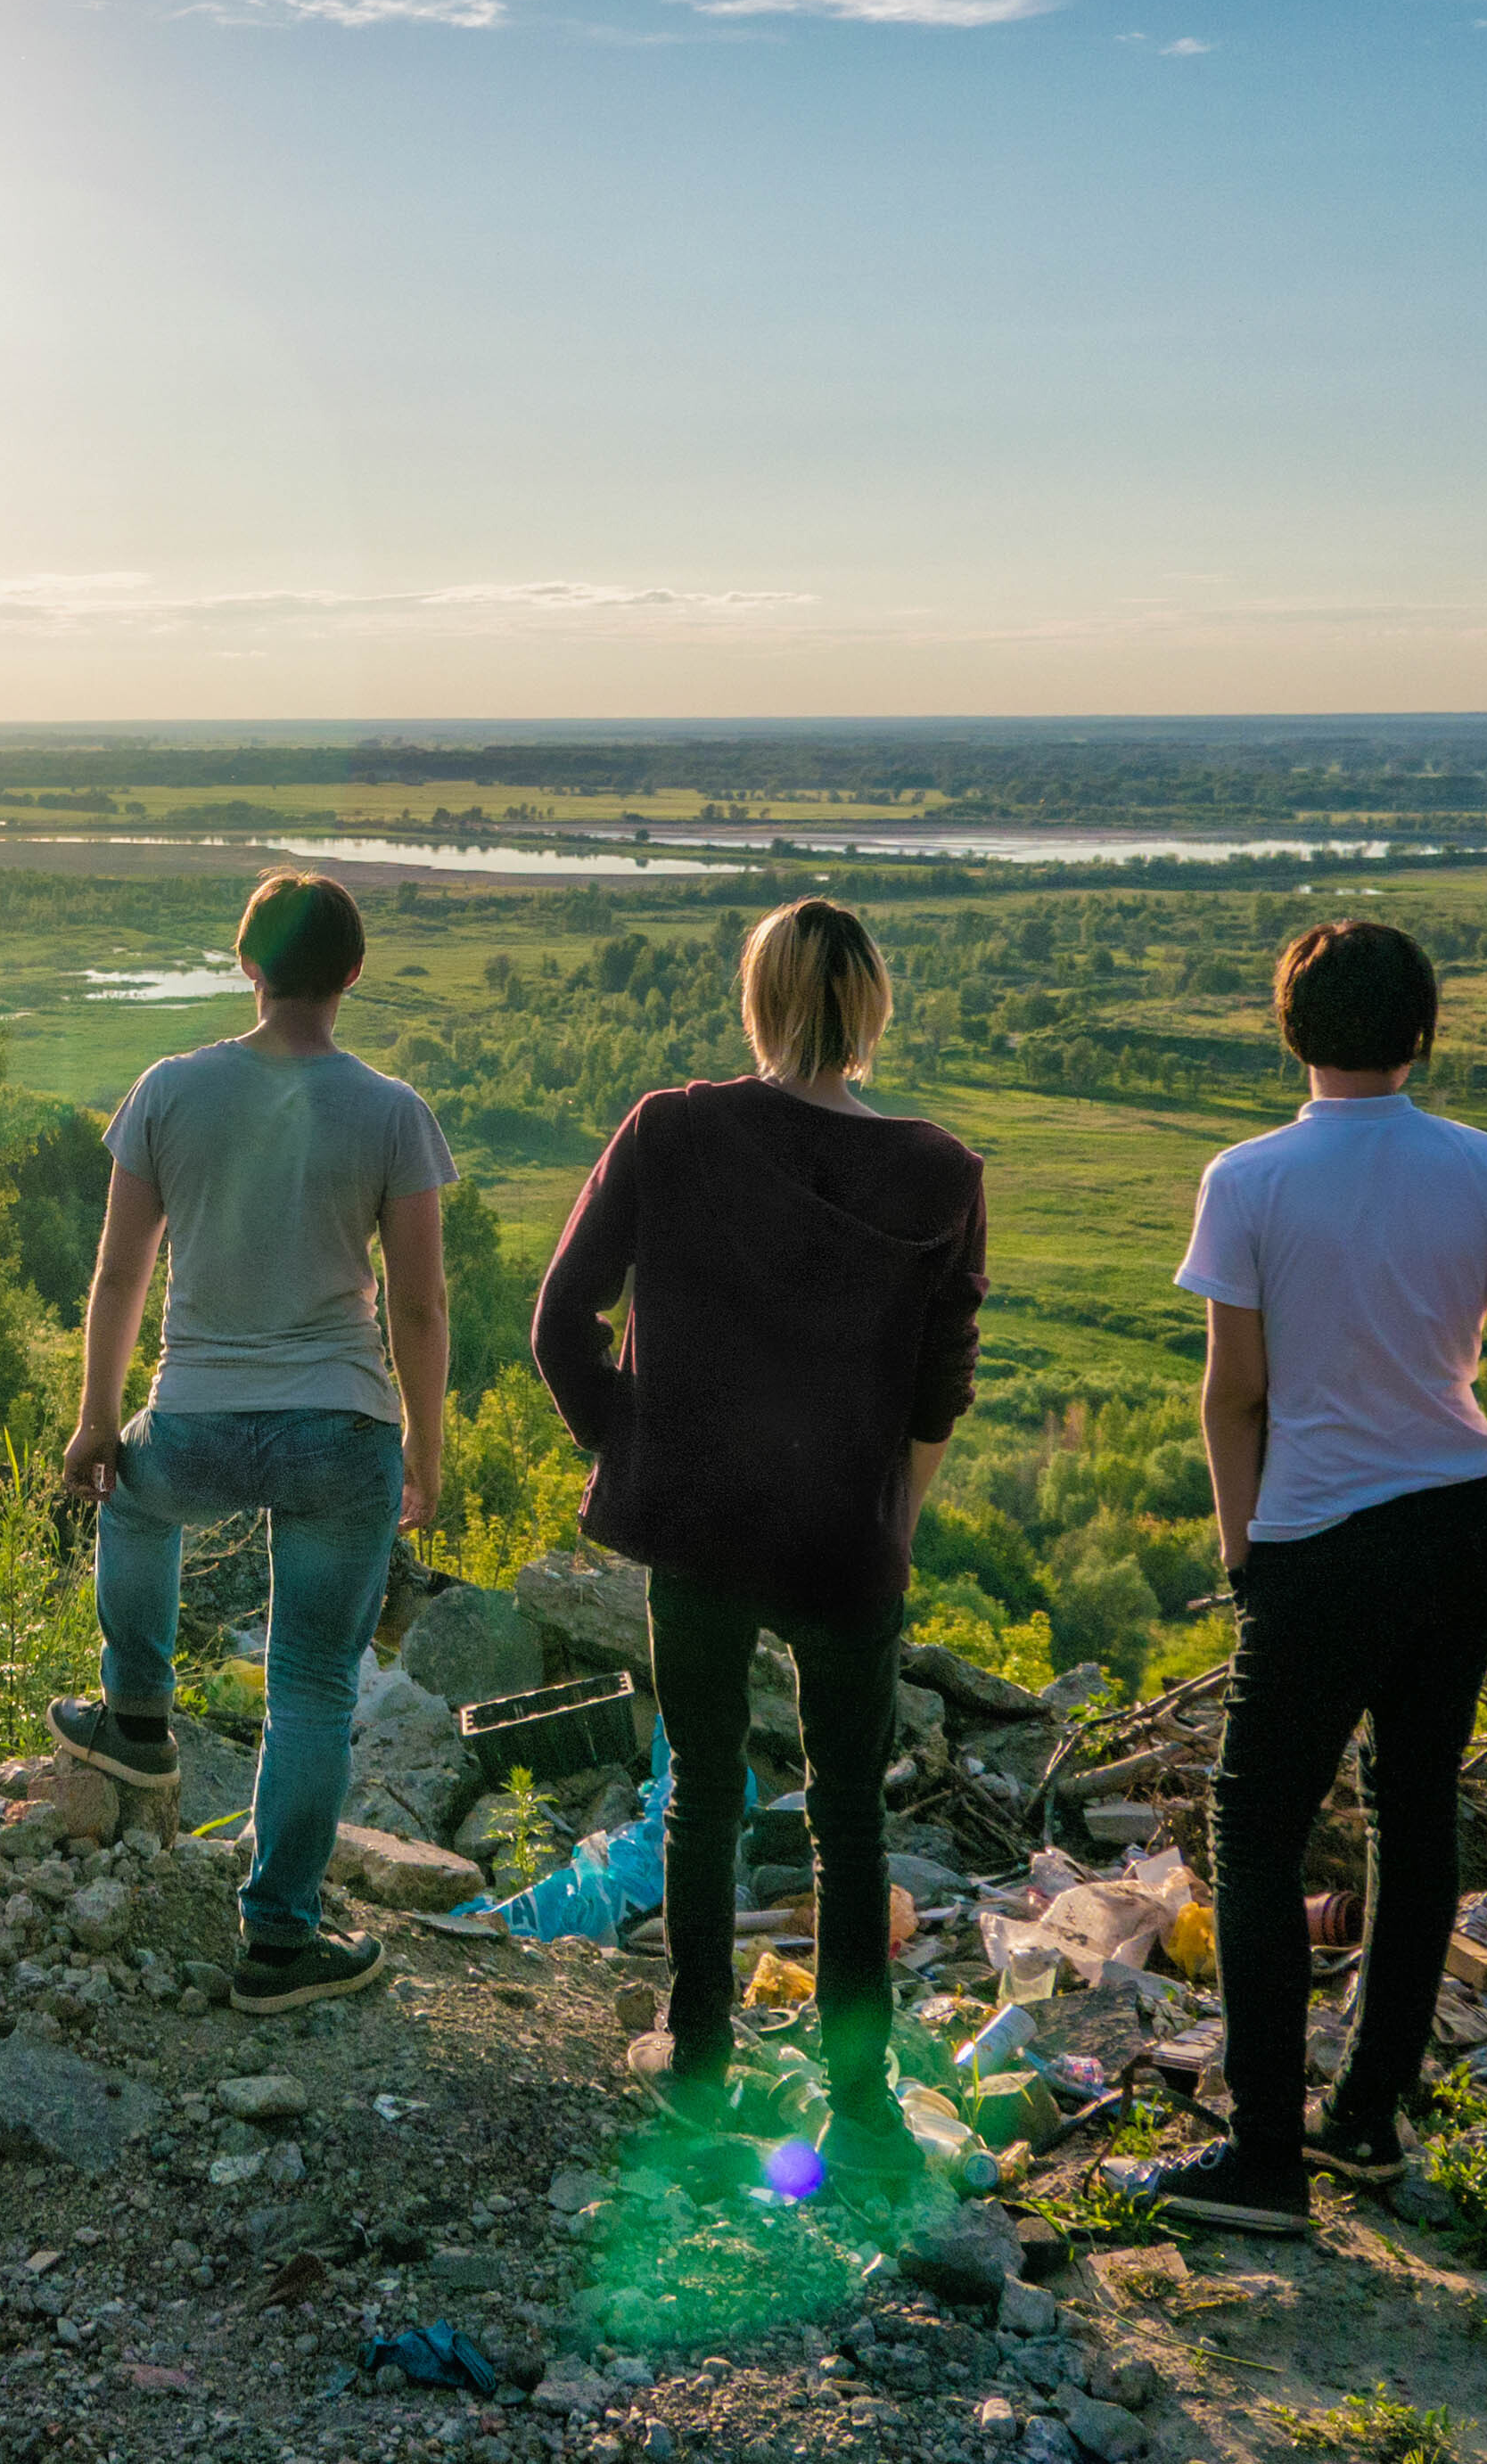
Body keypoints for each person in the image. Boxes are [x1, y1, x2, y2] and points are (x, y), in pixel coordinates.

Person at [530, 899, 986, 2197]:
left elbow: (561, 1319)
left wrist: (633, 1447)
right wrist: (894, 1522)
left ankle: (697, 2064)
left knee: (706, 1793)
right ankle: (862, 2110)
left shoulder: (675, 1130)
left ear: (761, 1000)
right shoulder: (940, 1173)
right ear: (873, 1005)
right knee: (851, 1815)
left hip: (701, 1521)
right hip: (848, 1535)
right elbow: (937, 1392)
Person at [1122, 918, 1487, 2233]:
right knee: (1415, 1812)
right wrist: (1479, 1477)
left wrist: (1242, 1549)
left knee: (1253, 1830)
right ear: (1422, 1033)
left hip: (1319, 1539)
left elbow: (1235, 1394)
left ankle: (1265, 2163)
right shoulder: (1484, 1168)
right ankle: (1367, 2121)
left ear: (1292, 1031)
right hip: (1461, 1527)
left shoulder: (1248, 1179)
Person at [48, 871, 455, 2015]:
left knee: (133, 1495)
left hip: (201, 1420)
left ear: (247, 965)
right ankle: (280, 1936)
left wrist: (95, 1417)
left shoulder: (171, 1090)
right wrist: (426, 1452)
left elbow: (121, 1270)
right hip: (342, 1431)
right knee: (313, 1687)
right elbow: (419, 1308)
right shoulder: (390, 1111)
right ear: (354, 976)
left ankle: (136, 1717)